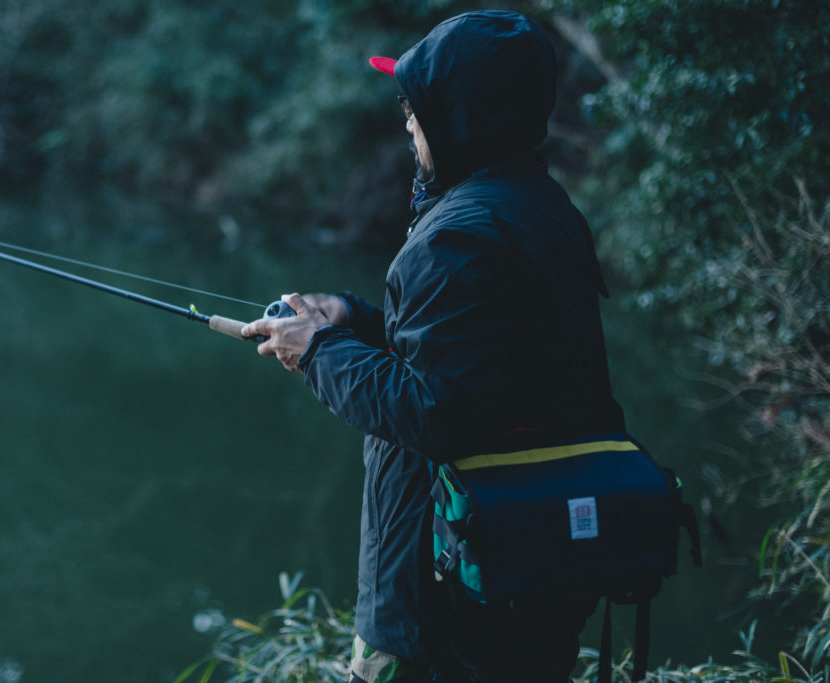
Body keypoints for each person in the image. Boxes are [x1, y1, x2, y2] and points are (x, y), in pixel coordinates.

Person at [241, 10, 626, 682]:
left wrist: (316, 349)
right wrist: (352, 318)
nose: (408, 119)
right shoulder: (542, 206)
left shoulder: (456, 236)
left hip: (441, 596)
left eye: (416, 104)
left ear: (460, 116)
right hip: (534, 565)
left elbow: (434, 410)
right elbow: (483, 363)